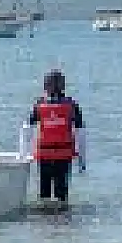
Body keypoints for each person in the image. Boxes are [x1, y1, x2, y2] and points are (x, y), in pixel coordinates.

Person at [28, 68, 86, 204]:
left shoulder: (39, 104)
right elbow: (80, 133)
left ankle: (45, 222)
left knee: (44, 194)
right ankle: (62, 220)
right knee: (61, 195)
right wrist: (82, 158)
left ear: (45, 86)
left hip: (45, 155)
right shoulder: (72, 105)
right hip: (63, 156)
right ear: (63, 85)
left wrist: (24, 155)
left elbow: (26, 129)